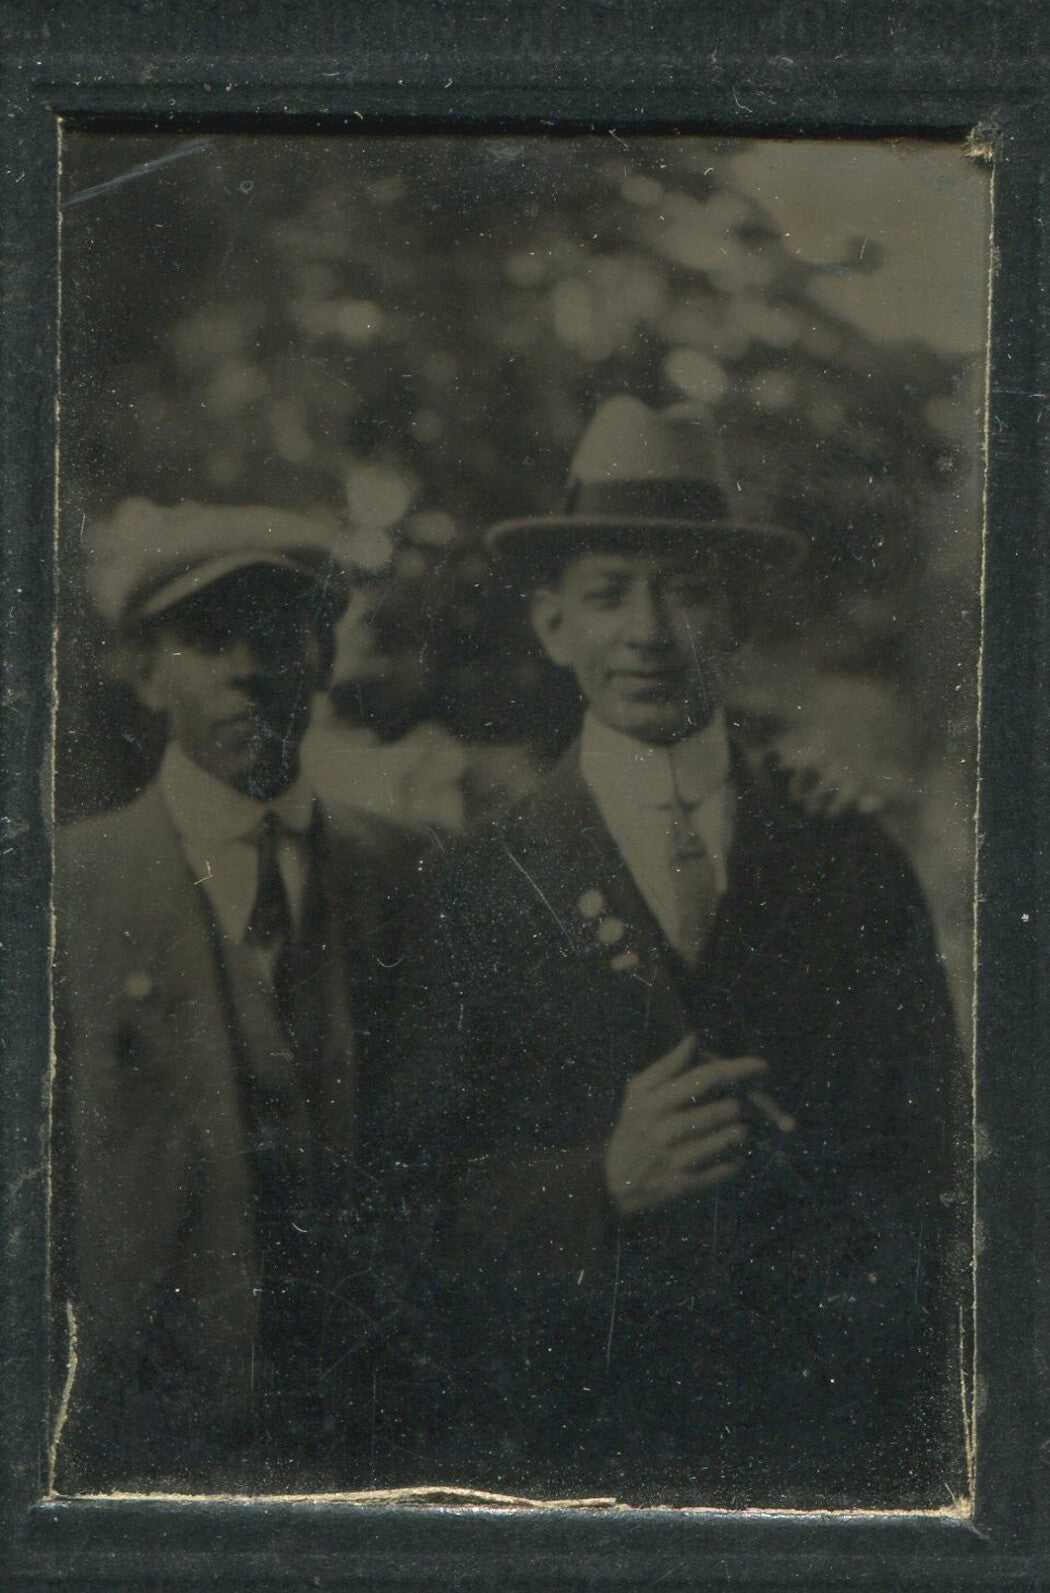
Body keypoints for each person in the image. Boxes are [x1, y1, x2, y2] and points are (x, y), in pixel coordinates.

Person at [407, 397, 970, 1508]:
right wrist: (599, 1182)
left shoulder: (853, 865)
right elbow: (409, 1212)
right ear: (552, 625)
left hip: (817, 1464)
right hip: (573, 1460)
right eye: (608, 593)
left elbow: (933, 1186)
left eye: (687, 589)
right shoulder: (471, 887)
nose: (648, 631)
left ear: (740, 618)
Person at [52, 500, 426, 1493]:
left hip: (373, 1439)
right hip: (147, 1446)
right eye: (208, 639)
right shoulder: (65, 892)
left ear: (324, 656)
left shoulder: (406, 874)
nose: (247, 669)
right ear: (146, 672)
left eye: (276, 633)